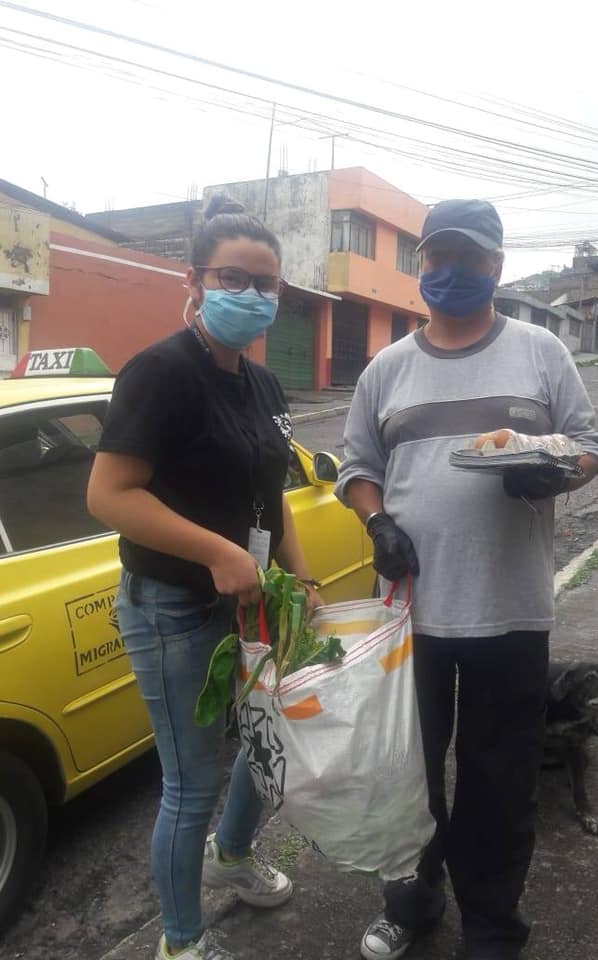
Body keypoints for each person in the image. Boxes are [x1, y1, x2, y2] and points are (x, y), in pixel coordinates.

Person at [336, 199, 598, 960]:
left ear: (497, 266)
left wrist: (555, 474)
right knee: (406, 777)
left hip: (509, 610)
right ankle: (411, 905)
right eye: (439, 258)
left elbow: (589, 445)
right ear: (420, 265)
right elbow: (358, 467)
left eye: (471, 258)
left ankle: (491, 928)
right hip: (409, 612)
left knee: (499, 781)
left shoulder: (540, 352)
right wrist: (377, 523)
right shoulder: (387, 368)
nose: (452, 271)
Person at [87, 194, 321, 960]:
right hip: (173, 608)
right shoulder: (161, 372)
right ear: (195, 280)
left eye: (266, 283)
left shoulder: (263, 386)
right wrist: (218, 554)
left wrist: (302, 576)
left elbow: (271, 498)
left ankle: (233, 855)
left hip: (253, 603)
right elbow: (109, 495)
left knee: (266, 739)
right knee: (190, 785)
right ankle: (181, 943)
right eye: (233, 278)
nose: (251, 295)